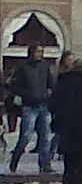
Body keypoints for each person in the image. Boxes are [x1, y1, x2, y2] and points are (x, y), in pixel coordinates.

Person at [8, 43, 56, 174]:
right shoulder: (23, 68)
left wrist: (49, 93)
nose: (40, 54)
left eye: (42, 51)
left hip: (44, 105)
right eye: (38, 51)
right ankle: (15, 159)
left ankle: (45, 165)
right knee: (26, 136)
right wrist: (25, 95)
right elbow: (15, 85)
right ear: (31, 52)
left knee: (45, 136)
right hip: (29, 105)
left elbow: (50, 83)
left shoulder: (45, 67)